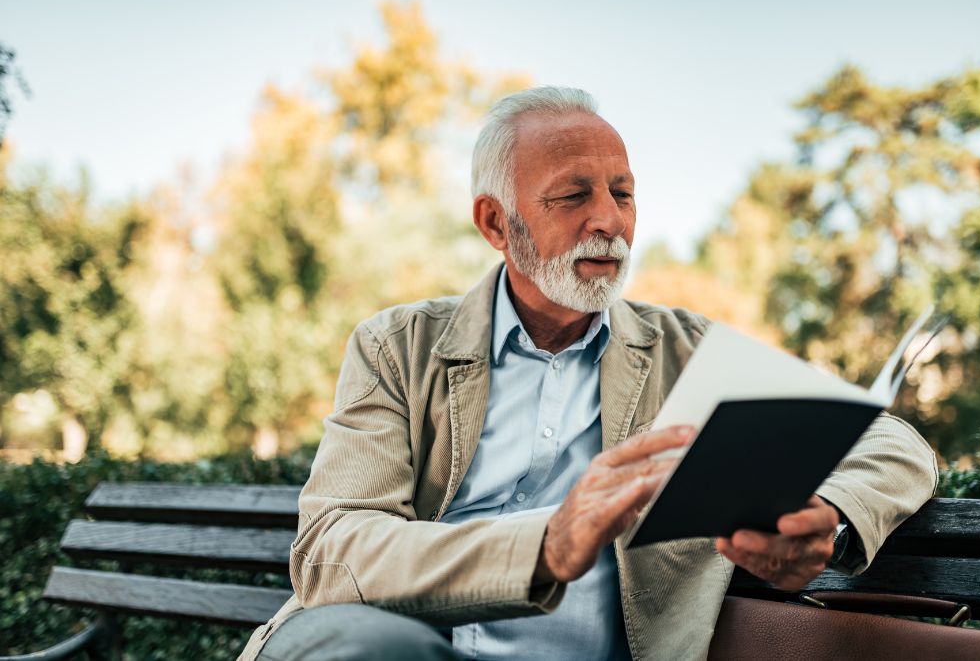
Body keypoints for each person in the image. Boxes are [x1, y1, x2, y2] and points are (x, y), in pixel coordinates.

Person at [239, 87, 937, 661]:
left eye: (623, 193)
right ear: (495, 222)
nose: (609, 220)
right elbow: (333, 553)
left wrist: (833, 521)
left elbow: (891, 441)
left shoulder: (686, 351)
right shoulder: (398, 347)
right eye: (573, 196)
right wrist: (544, 545)